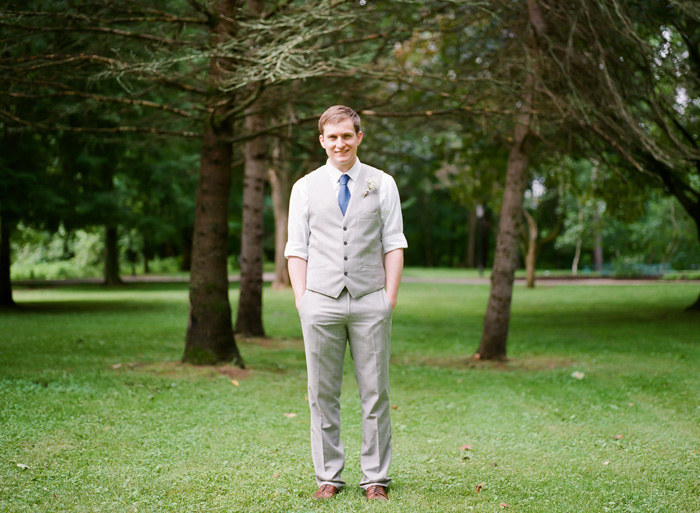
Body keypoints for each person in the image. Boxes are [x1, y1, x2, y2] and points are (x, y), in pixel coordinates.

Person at [284, 105, 407, 501]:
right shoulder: (304, 187)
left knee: (375, 392)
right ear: (322, 140)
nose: (340, 143)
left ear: (359, 137)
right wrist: (302, 300)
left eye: (347, 136)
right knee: (321, 393)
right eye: (332, 137)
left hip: (371, 301)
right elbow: (296, 248)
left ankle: (376, 478)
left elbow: (394, 243)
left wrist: (388, 299)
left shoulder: (382, 183)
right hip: (320, 301)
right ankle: (329, 477)